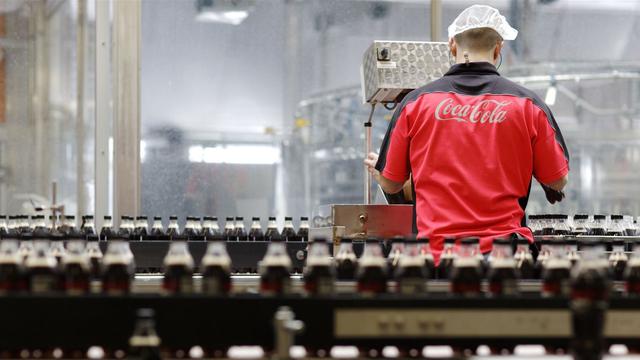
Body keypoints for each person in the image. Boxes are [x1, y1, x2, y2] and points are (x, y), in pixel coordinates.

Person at [364, 5, 569, 262]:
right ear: (498, 49)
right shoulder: (528, 105)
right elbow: (557, 180)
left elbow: (391, 182)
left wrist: (386, 172)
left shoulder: (416, 103)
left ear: (452, 46)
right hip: (506, 257)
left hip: (436, 256)